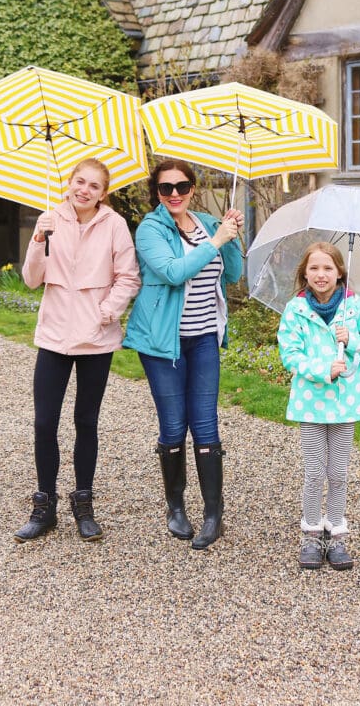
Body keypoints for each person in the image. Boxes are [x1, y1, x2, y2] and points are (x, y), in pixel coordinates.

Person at [14, 157, 141, 543]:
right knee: (44, 422)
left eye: (94, 186)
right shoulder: (50, 220)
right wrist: (38, 238)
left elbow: (128, 277)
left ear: (103, 193)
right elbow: (31, 280)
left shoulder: (115, 225)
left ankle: (83, 503)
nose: (84, 190)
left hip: (95, 339)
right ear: (68, 183)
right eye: (79, 182)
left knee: (86, 421)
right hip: (53, 337)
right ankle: (44, 505)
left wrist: (105, 313)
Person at [123, 158, 244, 550]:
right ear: (156, 193)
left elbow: (233, 275)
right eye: (165, 188)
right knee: (174, 427)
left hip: (204, 338)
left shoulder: (210, 224)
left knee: (206, 426)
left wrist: (233, 235)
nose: (174, 194)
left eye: (181, 186)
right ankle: (176, 509)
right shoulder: (150, 230)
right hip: (163, 344)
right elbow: (174, 272)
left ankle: (213, 516)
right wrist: (217, 241)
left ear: (193, 188)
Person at [277, 241, 360, 571]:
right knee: (314, 473)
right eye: (314, 268)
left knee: (337, 473)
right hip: (311, 405)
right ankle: (312, 533)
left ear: (340, 272)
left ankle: (336, 534)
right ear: (305, 273)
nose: (321, 274)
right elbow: (290, 355)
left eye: (328, 268)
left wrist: (352, 340)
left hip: (345, 405)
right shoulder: (295, 310)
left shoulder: (355, 309)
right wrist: (323, 369)